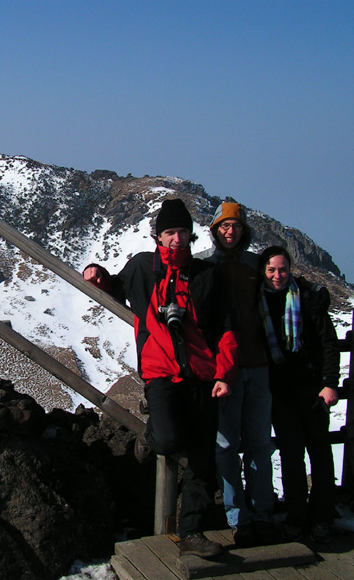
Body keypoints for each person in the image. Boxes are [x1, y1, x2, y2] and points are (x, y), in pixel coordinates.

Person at [82, 198, 238, 558]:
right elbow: (117, 287)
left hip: (202, 376)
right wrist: (96, 273)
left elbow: (228, 329)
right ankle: (149, 434)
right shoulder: (142, 267)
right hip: (160, 372)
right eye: (170, 232)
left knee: (203, 459)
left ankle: (192, 534)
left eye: (182, 232)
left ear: (191, 235)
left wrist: (224, 373)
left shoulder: (206, 275)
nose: (177, 239)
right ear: (158, 236)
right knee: (168, 440)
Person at [196, 201, 275, 546]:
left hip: (258, 365)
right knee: (225, 445)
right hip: (224, 370)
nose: (230, 231)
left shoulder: (255, 265)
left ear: (244, 231)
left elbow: (284, 287)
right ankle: (237, 517)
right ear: (215, 230)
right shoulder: (205, 268)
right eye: (224, 226)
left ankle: (263, 515)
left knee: (260, 444)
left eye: (236, 226)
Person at [258, 246, 340, 543]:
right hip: (280, 392)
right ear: (263, 272)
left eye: (282, 269)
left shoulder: (307, 298)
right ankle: (297, 517)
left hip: (312, 388)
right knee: (291, 455)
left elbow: (327, 342)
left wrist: (330, 382)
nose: (277, 276)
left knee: (320, 453)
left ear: (290, 269)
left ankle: (322, 517)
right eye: (271, 270)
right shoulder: (257, 302)